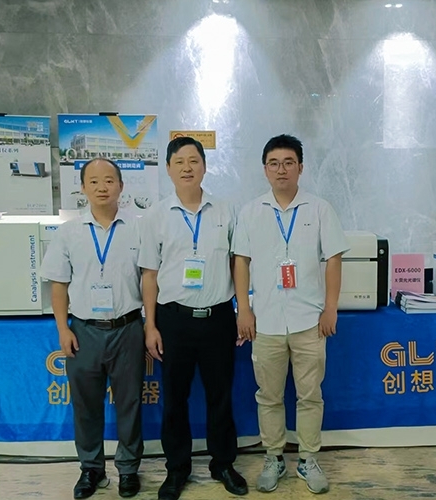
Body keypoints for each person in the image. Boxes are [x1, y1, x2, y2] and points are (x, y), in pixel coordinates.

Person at [233, 134, 349, 494]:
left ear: (300, 167)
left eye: (288, 163)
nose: (281, 169)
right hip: (265, 321)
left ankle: (308, 458)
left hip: (309, 320)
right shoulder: (251, 212)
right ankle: (273, 457)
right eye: (274, 163)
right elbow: (241, 262)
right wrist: (244, 309)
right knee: (268, 396)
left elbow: (334, 259)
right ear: (265, 169)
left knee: (310, 395)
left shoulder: (319, 209)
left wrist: (330, 308)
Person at [138, 137, 248, 500]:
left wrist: (243, 309)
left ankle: (223, 464)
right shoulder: (155, 216)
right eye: (179, 161)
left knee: (220, 395)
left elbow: (238, 263)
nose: (187, 167)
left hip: (218, 318)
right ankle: (177, 468)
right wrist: (150, 325)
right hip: (174, 320)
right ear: (168, 169)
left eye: (194, 160)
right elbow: (149, 274)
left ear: (204, 166)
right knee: (174, 399)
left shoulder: (226, 210)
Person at [40, 158, 145, 499]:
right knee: (86, 405)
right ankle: (91, 469)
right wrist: (63, 329)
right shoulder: (69, 233)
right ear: (83, 187)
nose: (102, 187)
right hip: (84, 330)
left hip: (128, 328)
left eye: (109, 180)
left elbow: (149, 279)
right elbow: (58, 285)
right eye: (95, 181)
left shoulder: (138, 229)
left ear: (121, 186)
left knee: (130, 403)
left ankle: (128, 469)